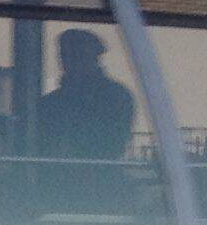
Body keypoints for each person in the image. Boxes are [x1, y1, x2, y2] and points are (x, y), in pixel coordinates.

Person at [38, 28, 138, 165]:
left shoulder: (116, 97)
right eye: (65, 55)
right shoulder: (50, 103)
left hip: (101, 180)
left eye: (77, 55)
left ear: (93, 57)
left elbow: (111, 146)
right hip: (52, 178)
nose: (68, 61)